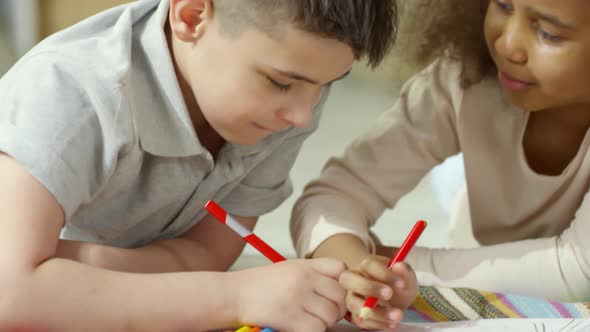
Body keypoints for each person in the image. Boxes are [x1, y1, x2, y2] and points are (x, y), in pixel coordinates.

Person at [0, 0, 399, 331]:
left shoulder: (289, 98)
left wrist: (86, 264)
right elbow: (10, 294)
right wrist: (237, 295)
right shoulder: (69, 91)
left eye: (329, 83)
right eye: (280, 83)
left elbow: (208, 252)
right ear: (191, 16)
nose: (303, 116)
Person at [291, 0, 590, 329]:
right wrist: (356, 266)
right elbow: (336, 194)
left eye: (549, 33)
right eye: (503, 5)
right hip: (480, 232)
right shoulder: (463, 79)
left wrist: (399, 270)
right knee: (454, 188)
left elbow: (578, 270)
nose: (507, 45)